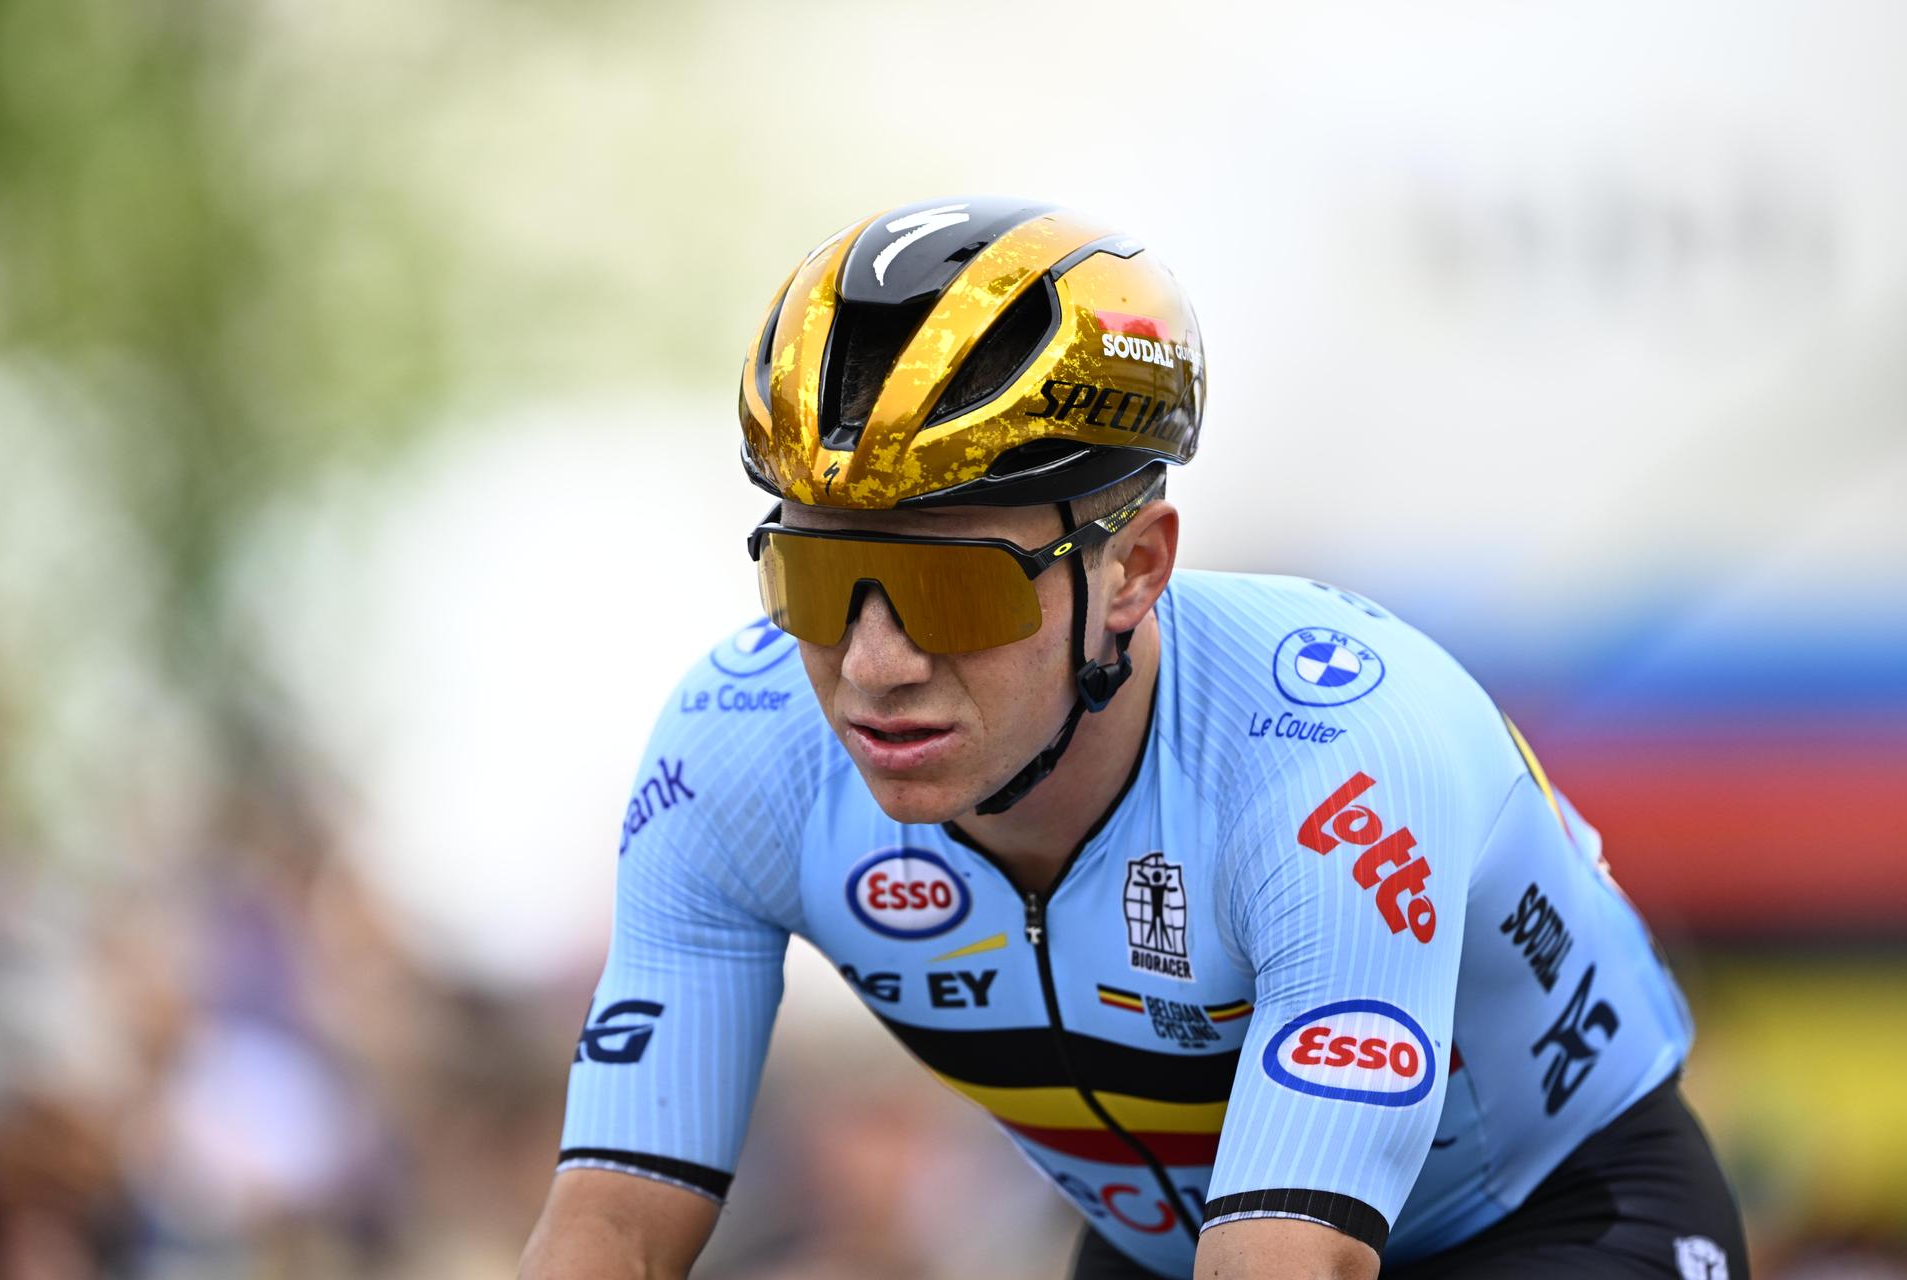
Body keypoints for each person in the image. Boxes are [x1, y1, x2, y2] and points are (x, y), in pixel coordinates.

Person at [518, 198, 1749, 1280]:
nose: (875, 664)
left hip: (1552, 1220)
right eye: (819, 577)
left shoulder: (1329, 753)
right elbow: (610, 1228)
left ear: (1133, 570)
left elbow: (1291, 1257)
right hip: (1169, 1238)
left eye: (955, 592)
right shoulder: (737, 746)